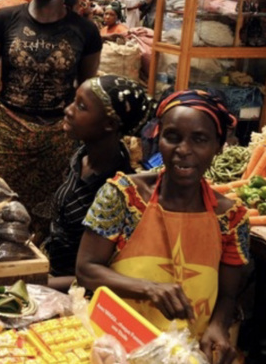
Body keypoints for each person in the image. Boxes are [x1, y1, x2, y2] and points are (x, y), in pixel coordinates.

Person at [77, 90, 249, 363]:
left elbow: (228, 295)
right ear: (158, 138)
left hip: (186, 352)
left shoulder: (230, 217)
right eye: (173, 137)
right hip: (115, 344)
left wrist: (218, 326)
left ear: (218, 146)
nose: (184, 150)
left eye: (200, 139)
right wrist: (149, 288)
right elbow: (86, 270)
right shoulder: (123, 195)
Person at [0, 0, 102, 240]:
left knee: (49, 218)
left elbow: (86, 91)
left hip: (59, 138)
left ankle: (40, 274)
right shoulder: (5, 20)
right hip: (9, 131)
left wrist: (86, 143)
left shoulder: (85, 31)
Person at [42, 76, 151, 288]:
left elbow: (97, 273)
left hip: (74, 292)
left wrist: (37, 283)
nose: (69, 110)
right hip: (49, 271)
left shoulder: (115, 190)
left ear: (109, 124)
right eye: (74, 101)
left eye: (81, 107)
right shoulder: (80, 157)